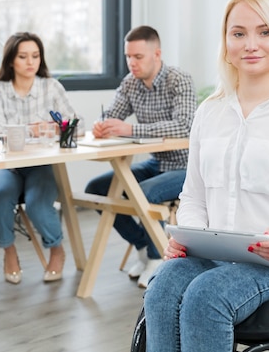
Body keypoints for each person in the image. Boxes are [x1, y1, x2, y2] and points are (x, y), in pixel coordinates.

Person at [143, 0, 269, 351]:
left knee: (207, 295)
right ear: (226, 43)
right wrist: (188, 235)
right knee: (162, 285)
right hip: (220, 249)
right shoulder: (210, 111)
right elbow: (194, 196)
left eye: (265, 32)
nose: (251, 44)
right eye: (239, 33)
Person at [84, 25, 197, 288]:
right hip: (157, 163)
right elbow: (112, 115)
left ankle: (158, 259)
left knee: (141, 193)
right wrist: (104, 125)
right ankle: (144, 246)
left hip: (188, 166)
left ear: (156, 54)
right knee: (98, 189)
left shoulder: (178, 79)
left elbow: (185, 126)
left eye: (138, 57)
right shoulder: (130, 83)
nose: (131, 63)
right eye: (128, 57)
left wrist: (132, 129)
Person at [0, 32, 75, 284]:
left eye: (35, 56)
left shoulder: (51, 87)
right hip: (7, 165)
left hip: (41, 165)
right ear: (11, 60)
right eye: (23, 56)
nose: (30, 62)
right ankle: (9, 252)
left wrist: (58, 127)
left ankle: (57, 249)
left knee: (38, 204)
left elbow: (73, 123)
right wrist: (32, 129)